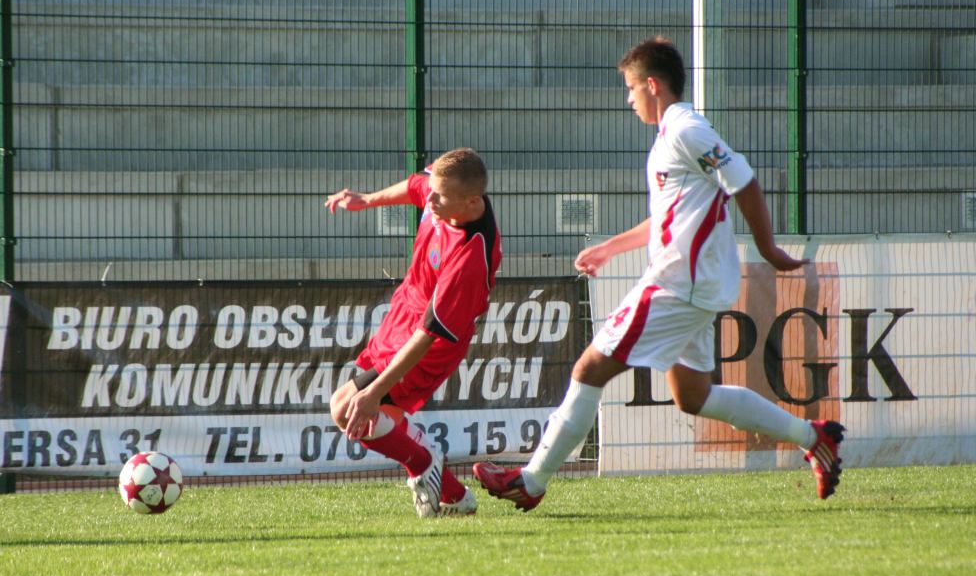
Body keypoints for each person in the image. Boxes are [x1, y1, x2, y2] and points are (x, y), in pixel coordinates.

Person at [473, 37, 844, 512]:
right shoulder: (673, 139)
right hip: (694, 285)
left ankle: (533, 479)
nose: (629, 100)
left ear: (652, 84)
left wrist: (769, 249)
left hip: (676, 285)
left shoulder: (686, 130)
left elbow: (744, 180)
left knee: (589, 367)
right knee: (692, 396)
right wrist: (611, 246)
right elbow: (673, 213)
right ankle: (814, 437)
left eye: (630, 88)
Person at [325, 147, 501, 517]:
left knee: (346, 408)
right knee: (378, 416)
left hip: (429, 344)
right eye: (433, 190)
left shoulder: (470, 255)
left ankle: (423, 462)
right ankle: (457, 498)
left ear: (472, 202)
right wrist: (367, 200)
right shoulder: (444, 193)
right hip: (402, 313)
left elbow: (428, 335)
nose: (430, 200)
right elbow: (415, 186)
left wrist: (374, 391)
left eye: (440, 196)